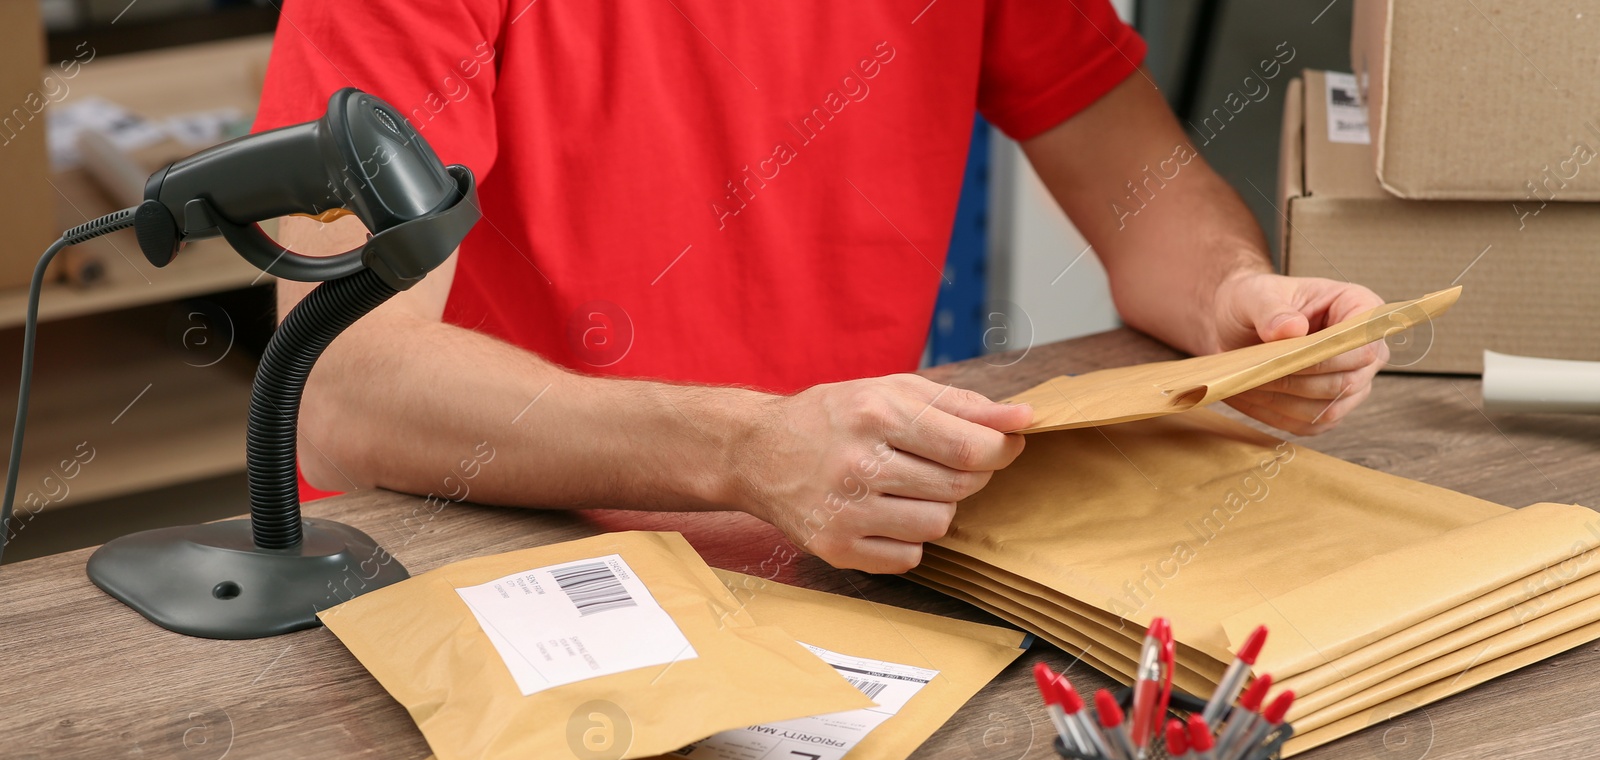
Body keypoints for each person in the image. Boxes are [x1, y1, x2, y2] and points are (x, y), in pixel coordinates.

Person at [255, 1, 1386, 574]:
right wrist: (747, 450)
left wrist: (1243, 303)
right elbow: (344, 385)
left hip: (843, 559)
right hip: (489, 562)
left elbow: (1142, 195)